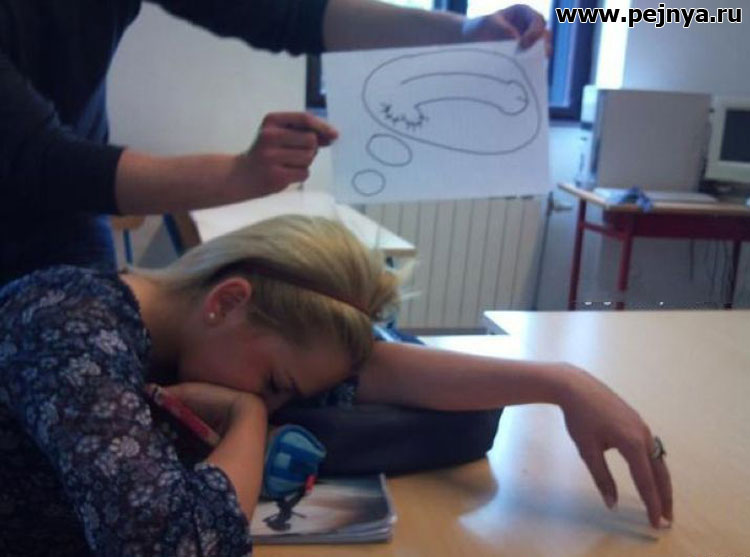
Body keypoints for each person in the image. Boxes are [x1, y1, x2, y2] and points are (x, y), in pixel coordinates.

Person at [0, 214, 672, 556]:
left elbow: (379, 367)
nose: (279, 401)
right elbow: (172, 546)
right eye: (276, 382)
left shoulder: (195, 335)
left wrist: (563, 383)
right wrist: (249, 417)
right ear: (227, 300)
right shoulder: (72, 328)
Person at [0, 0, 549, 286]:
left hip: (71, 218)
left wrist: (461, 32)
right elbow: (45, 163)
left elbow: (289, 14)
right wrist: (237, 175)